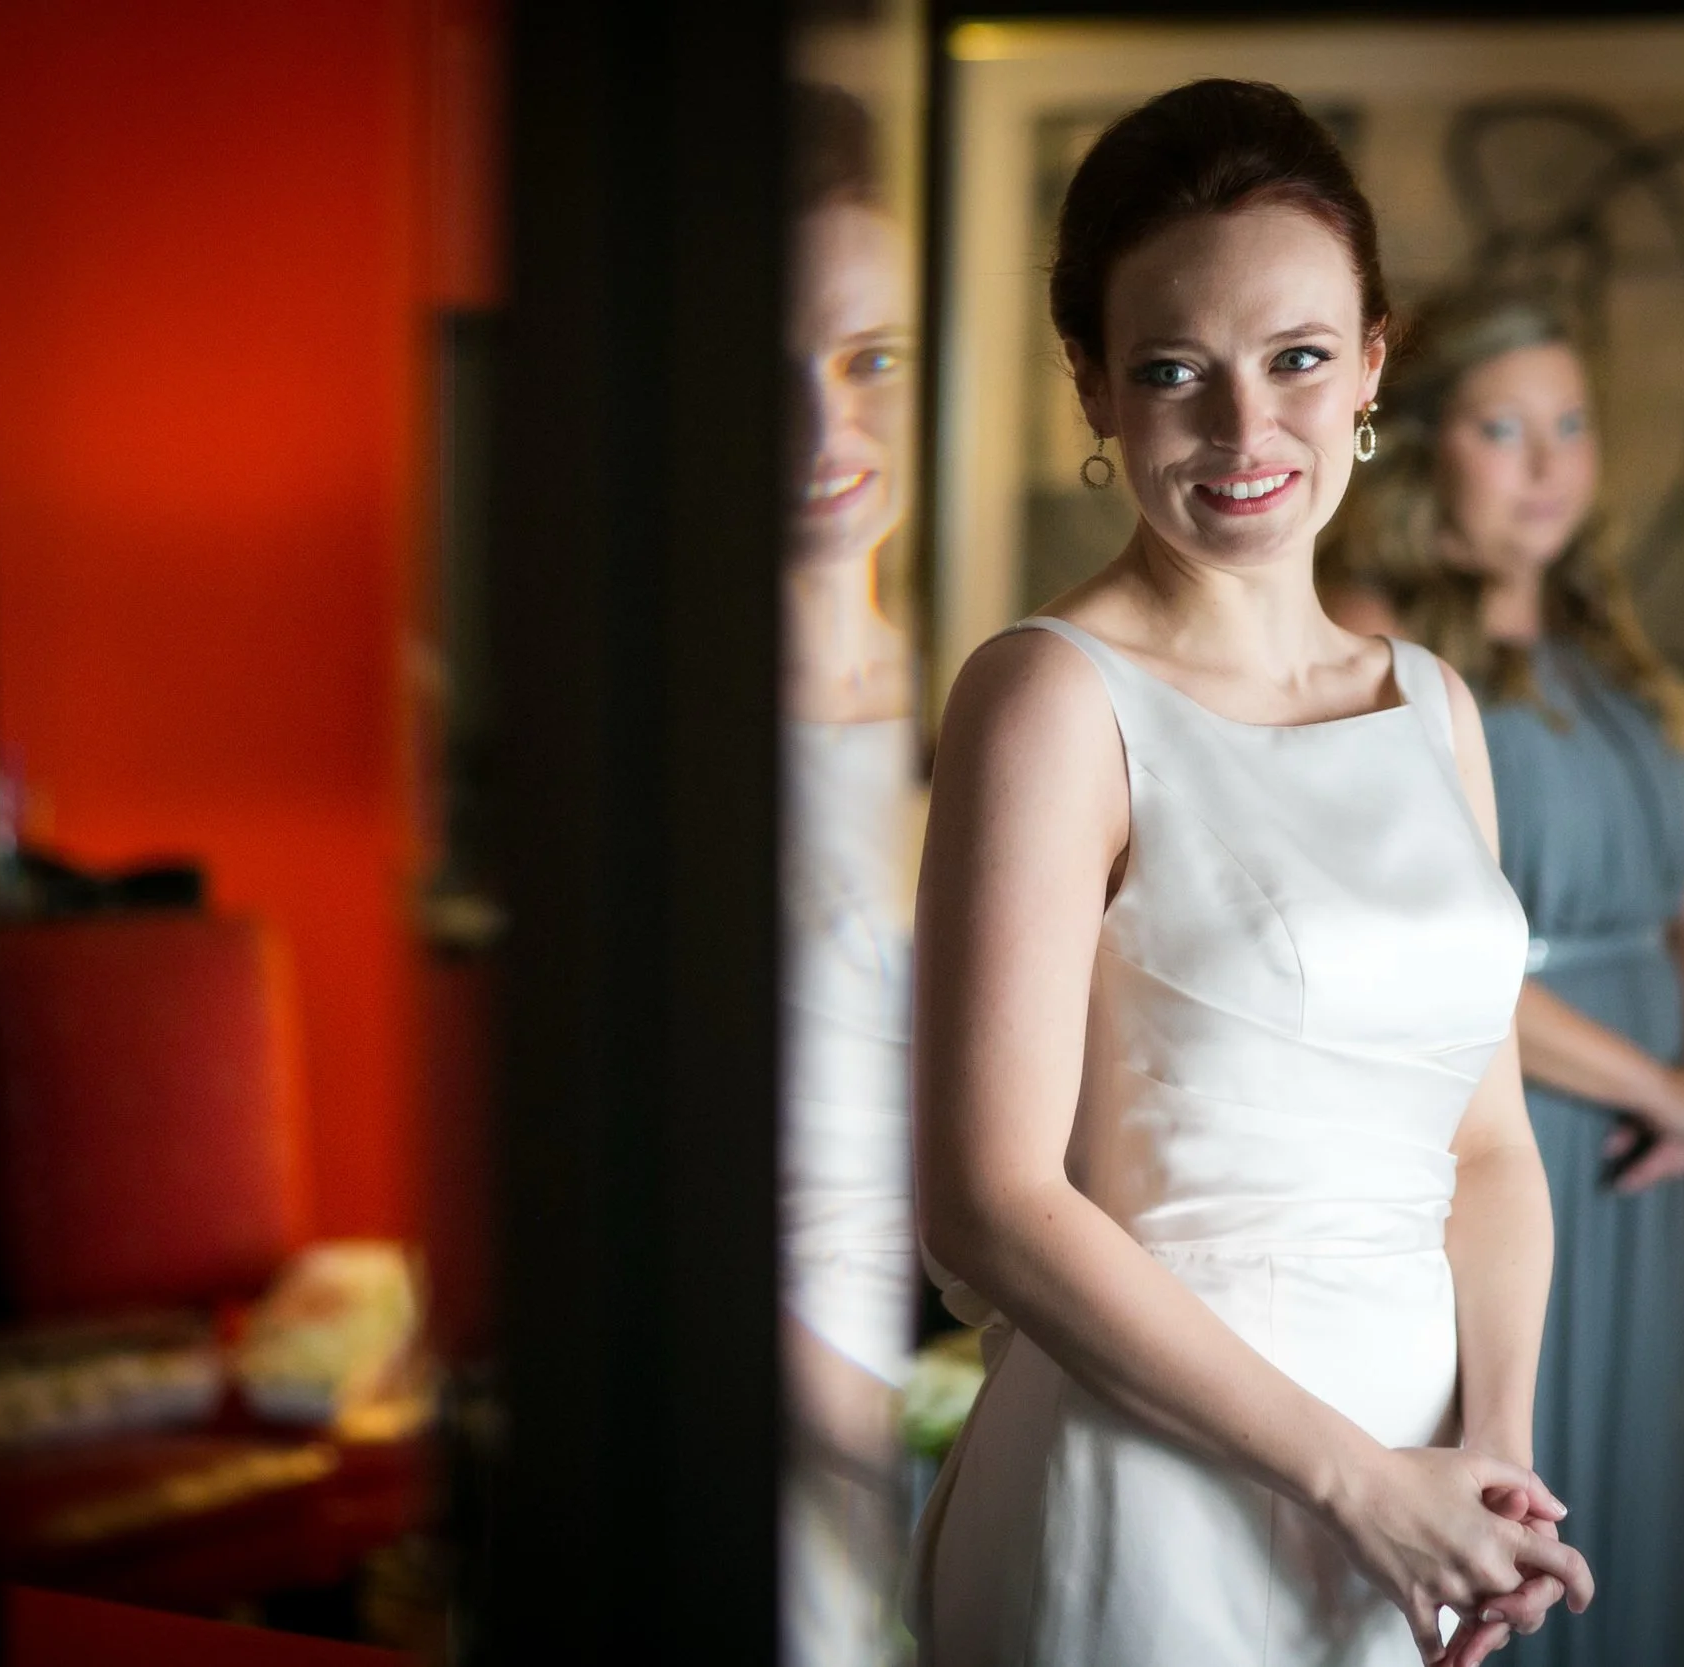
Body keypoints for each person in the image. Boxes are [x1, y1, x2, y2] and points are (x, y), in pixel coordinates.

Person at [909, 81, 1594, 1667]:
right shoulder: (1048, 697)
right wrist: (1353, 1479)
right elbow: (992, 1200)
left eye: (1296, 358)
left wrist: (1492, 1459)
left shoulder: (1434, 707)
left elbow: (1489, 1144)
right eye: (1174, 371)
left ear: (1372, 362)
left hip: (1417, 1506)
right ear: (1093, 385)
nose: (1243, 431)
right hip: (1151, 1495)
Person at [1321, 289, 1684, 1667]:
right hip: (1507, 1142)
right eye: (1504, 429)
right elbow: (1430, 959)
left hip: (1648, 1164)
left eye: (1571, 425)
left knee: (1624, 1484)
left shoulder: (1606, 647)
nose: (1550, 463)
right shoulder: (1376, 641)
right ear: (1423, 445)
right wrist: (1667, 1089)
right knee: (1520, 1480)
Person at [778, 82, 920, 1667]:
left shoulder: (985, 685)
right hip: (767, 1400)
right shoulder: (667, 734)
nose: (827, 433)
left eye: (870, 361)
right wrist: (879, 1442)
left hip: (954, 1356)